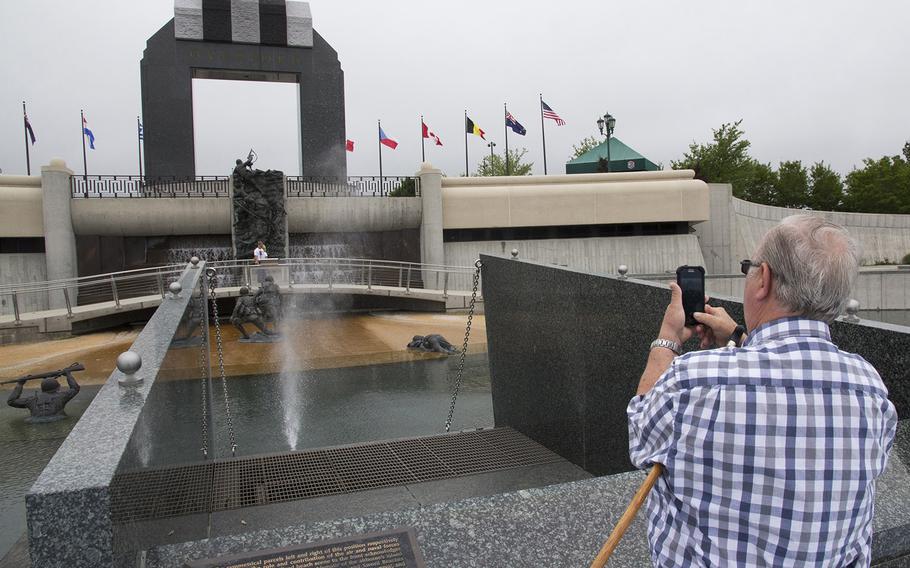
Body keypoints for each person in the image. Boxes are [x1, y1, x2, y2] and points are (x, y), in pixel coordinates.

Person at [628, 214, 897, 567]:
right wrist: (741, 336)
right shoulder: (869, 387)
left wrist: (667, 338)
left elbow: (640, 432)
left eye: (749, 268)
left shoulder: (693, 379)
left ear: (764, 279)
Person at [8, 370, 80, 422]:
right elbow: (75, 388)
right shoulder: (62, 396)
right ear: (58, 387)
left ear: (42, 389)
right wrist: (68, 375)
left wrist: (20, 384)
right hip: (57, 420)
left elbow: (11, 401)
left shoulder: (31, 400)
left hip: (34, 421)